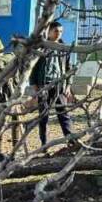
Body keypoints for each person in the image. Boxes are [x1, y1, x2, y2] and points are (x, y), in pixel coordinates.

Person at [30, 21, 74, 149]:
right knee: (43, 116)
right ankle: (44, 144)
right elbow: (33, 68)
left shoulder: (63, 47)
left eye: (60, 32)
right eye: (56, 31)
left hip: (59, 85)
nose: (58, 34)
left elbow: (68, 67)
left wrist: (68, 85)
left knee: (64, 114)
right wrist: (34, 85)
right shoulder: (41, 47)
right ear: (49, 31)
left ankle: (71, 140)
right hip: (44, 85)